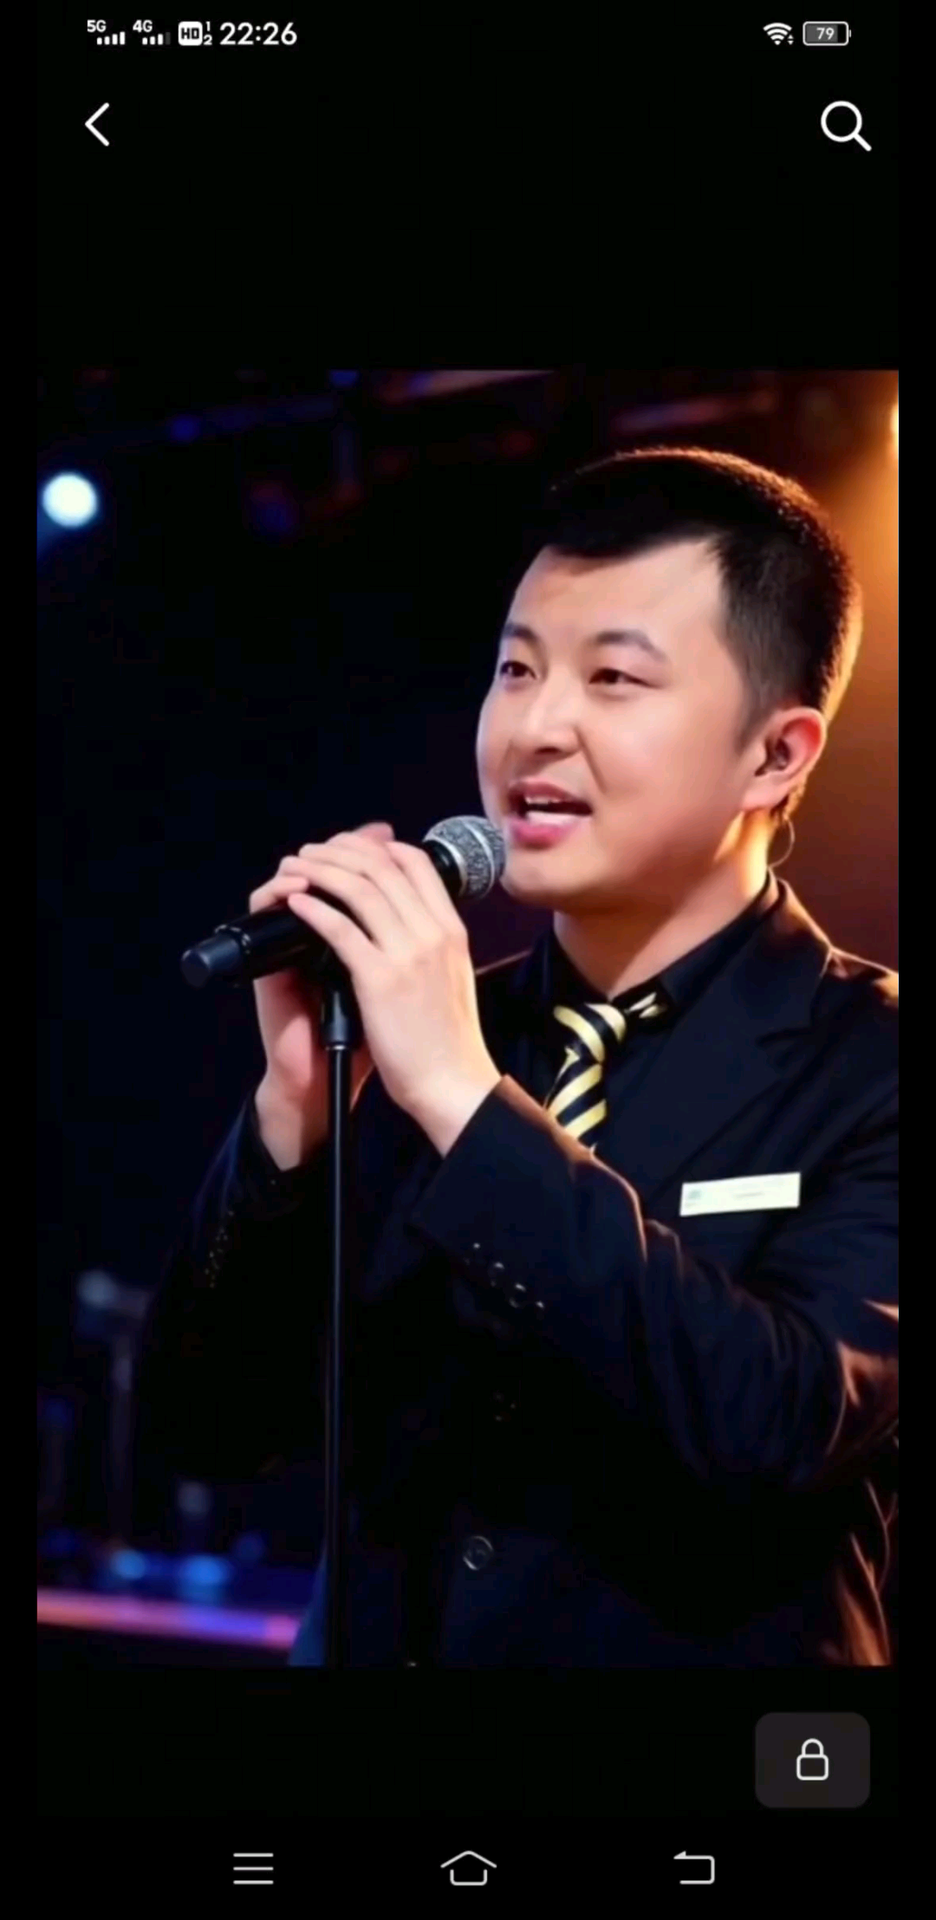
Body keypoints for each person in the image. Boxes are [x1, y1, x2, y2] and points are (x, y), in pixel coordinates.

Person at [134, 446, 898, 1667]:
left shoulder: (867, 1058)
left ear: (778, 752)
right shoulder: (415, 1034)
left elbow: (781, 1422)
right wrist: (292, 1121)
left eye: (615, 678)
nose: (537, 727)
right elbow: (205, 1431)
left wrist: (465, 1102)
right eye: (517, 669)